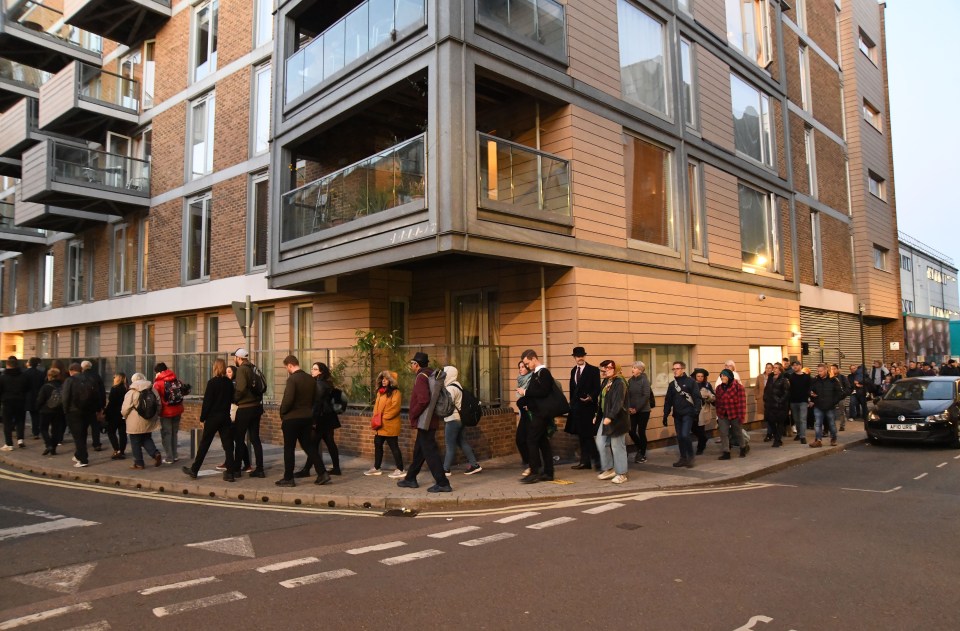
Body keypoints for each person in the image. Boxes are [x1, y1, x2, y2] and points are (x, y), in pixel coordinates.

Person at [397, 352, 452, 492]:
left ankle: (442, 482)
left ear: (416, 364)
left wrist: (413, 414)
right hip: (429, 419)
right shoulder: (430, 374)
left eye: (412, 363)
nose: (411, 366)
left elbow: (423, 400)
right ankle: (410, 478)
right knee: (419, 451)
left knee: (430, 451)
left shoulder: (421, 377)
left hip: (424, 420)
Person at [276, 355, 330, 487]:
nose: (287, 370)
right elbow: (315, 399)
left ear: (289, 365)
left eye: (286, 367)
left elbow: (288, 400)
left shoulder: (292, 379)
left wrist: (282, 413)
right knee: (309, 446)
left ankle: (288, 478)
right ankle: (322, 473)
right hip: (306, 417)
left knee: (289, 448)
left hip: (292, 418)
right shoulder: (310, 379)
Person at [182, 358, 236, 482]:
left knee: (204, 444)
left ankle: (194, 470)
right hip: (225, 417)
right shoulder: (229, 383)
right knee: (228, 446)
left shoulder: (212, 383)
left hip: (213, 418)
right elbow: (232, 399)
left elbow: (207, 402)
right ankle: (230, 473)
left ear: (215, 368)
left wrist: (203, 418)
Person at [515, 349, 557, 484]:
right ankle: (548, 473)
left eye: (527, 363)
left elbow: (543, 392)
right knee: (542, 442)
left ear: (533, 359)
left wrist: (525, 391)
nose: (527, 366)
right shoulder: (537, 373)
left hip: (542, 413)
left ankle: (534, 472)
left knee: (531, 440)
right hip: (539, 412)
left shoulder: (543, 372)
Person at [441, 365, 482, 475]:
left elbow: (446, 405)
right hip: (460, 419)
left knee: (450, 445)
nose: (443, 376)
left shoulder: (450, 388)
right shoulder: (457, 385)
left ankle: (445, 469)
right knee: (462, 442)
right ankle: (474, 465)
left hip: (452, 419)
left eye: (445, 374)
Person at [364, 370, 405, 478]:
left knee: (394, 447)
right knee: (377, 445)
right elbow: (376, 407)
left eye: (386, 379)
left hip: (390, 425)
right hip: (380, 426)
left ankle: (400, 469)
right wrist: (375, 417)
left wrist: (383, 418)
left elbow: (395, 409)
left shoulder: (396, 393)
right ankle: (377, 468)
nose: (383, 380)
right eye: (382, 378)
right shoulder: (380, 392)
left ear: (391, 381)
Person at [595, 360, 630, 484]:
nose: (604, 371)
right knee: (600, 442)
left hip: (618, 419)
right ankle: (609, 469)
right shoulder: (606, 381)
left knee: (617, 446)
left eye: (608, 368)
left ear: (615, 369)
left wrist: (610, 416)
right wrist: (597, 415)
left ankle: (622, 473)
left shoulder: (620, 382)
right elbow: (602, 401)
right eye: (604, 368)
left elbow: (618, 402)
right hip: (606, 417)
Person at [567, 347, 601, 471]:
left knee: (588, 435)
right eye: (577, 356)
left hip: (588, 408)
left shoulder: (593, 370)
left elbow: (597, 388)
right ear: (574, 357)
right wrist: (571, 405)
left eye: (582, 355)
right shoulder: (573, 371)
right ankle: (585, 462)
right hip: (576, 409)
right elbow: (572, 389)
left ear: (584, 356)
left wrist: (590, 397)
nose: (580, 358)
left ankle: (598, 461)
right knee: (581, 435)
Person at [662, 360, 701, 468]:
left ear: (683, 369)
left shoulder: (690, 382)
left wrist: (696, 412)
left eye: (677, 368)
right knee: (680, 437)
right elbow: (668, 400)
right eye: (673, 369)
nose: (675, 371)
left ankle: (690, 457)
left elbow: (697, 397)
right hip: (677, 414)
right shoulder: (672, 384)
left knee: (685, 434)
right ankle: (683, 458)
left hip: (688, 413)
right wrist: (665, 415)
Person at [233, 349, 265, 478]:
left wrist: (234, 399)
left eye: (234, 357)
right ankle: (260, 469)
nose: (234, 359)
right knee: (255, 439)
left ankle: (236, 470)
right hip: (256, 407)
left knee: (239, 439)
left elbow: (240, 389)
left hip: (245, 408)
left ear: (239, 358)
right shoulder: (253, 367)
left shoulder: (241, 369)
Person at [122, 372, 163, 470]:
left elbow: (125, 408)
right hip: (149, 419)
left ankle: (139, 463)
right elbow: (159, 404)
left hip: (135, 422)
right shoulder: (152, 389)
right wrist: (155, 414)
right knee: (146, 438)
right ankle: (155, 453)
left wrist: (124, 416)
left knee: (135, 442)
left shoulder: (131, 391)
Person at [62, 363, 97, 467]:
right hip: (88, 411)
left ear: (71, 370)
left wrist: (65, 410)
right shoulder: (90, 379)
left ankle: (83, 459)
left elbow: (65, 397)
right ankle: (78, 455)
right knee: (83, 433)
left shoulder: (70, 380)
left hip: (74, 411)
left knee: (78, 436)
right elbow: (96, 395)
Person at [153, 362, 183, 464]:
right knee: (174, 433)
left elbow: (156, 399)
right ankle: (175, 455)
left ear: (158, 372)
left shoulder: (158, 383)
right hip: (178, 409)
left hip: (166, 412)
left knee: (166, 434)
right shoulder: (175, 379)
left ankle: (169, 457)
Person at [716, 368, 748, 459]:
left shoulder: (738, 387)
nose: (722, 377)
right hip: (723, 414)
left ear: (729, 377)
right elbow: (717, 402)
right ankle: (726, 452)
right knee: (723, 433)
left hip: (735, 413)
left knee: (737, 432)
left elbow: (742, 402)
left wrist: (741, 416)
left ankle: (743, 447)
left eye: (724, 376)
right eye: (721, 376)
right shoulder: (719, 388)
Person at [810, 363, 843, 447]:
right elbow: (810, 390)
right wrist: (811, 394)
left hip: (830, 406)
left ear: (826, 370)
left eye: (821, 371)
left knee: (831, 423)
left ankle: (833, 439)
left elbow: (839, 393)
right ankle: (818, 440)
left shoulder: (833, 380)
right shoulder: (815, 380)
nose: (819, 373)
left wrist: (833, 402)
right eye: (818, 371)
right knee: (818, 424)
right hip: (818, 405)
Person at [35, 367, 64, 456]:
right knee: (55, 430)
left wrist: (37, 408)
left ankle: (48, 444)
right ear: (58, 376)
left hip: (46, 411)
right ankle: (53, 448)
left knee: (43, 428)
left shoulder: (46, 386)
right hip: (59, 411)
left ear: (49, 376)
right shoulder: (62, 386)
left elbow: (40, 400)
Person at [0, 356, 27, 451]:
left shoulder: (3, 377)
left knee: (7, 423)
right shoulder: (23, 376)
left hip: (7, 402)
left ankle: (9, 443)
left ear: (7, 365)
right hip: (20, 401)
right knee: (20, 421)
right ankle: (20, 439)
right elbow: (27, 388)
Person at [627, 361, 651, 463]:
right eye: (632, 367)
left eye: (635, 368)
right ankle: (640, 447)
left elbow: (646, 396)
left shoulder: (644, 381)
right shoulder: (630, 381)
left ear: (640, 370)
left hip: (643, 410)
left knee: (641, 431)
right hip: (632, 411)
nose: (632, 369)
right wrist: (629, 408)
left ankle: (642, 454)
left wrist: (636, 409)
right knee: (631, 431)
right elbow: (627, 395)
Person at [81, 360, 106, 452]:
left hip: (84, 405)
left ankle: (82, 443)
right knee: (95, 425)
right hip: (95, 405)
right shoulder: (97, 376)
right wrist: (102, 406)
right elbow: (102, 391)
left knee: (83, 426)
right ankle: (96, 443)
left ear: (82, 367)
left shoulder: (80, 376)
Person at [763, 363, 789, 448]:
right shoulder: (770, 378)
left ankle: (777, 440)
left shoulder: (784, 379)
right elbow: (766, 389)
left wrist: (780, 401)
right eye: (774, 368)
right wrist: (765, 398)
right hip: (770, 404)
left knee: (780, 423)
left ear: (780, 370)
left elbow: (786, 393)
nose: (775, 369)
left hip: (780, 406)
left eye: (777, 368)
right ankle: (777, 439)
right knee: (771, 421)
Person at [104, 373, 128, 460]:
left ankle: (116, 449)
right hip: (124, 414)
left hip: (114, 414)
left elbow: (111, 403)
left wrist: (105, 412)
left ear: (118, 378)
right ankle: (122, 451)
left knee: (111, 432)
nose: (113, 378)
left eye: (114, 377)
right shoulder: (126, 388)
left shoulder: (115, 389)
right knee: (122, 433)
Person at [787, 361, 810, 445]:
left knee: (802, 419)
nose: (795, 367)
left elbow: (809, 388)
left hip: (803, 400)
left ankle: (803, 436)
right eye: (793, 366)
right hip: (793, 401)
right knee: (796, 419)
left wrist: (809, 398)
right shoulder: (791, 376)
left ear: (800, 366)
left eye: (796, 365)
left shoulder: (806, 377)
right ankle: (799, 433)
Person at [515, 360, 533, 475]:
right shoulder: (520, 380)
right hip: (523, 414)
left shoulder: (531, 379)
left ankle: (532, 465)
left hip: (531, 414)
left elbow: (534, 394)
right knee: (520, 439)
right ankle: (530, 463)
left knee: (529, 440)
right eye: (519, 367)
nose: (521, 369)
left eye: (523, 367)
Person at [692, 369, 713, 455]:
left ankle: (700, 448)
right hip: (692, 410)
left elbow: (713, 397)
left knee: (700, 429)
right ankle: (704, 439)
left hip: (703, 410)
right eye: (698, 376)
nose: (700, 378)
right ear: (695, 376)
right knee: (692, 427)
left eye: (702, 376)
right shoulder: (692, 384)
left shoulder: (707, 385)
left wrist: (708, 396)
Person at [24, 357, 44, 441]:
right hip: (38, 396)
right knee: (36, 415)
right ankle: (36, 432)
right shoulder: (41, 373)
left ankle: (31, 432)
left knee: (29, 415)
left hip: (28, 396)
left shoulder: (25, 373)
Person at [830, 364, 850, 431]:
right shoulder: (829, 378)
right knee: (831, 412)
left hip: (841, 397)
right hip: (832, 397)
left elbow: (848, 387)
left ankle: (842, 426)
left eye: (834, 369)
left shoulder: (842, 377)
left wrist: (844, 394)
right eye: (831, 369)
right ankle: (832, 425)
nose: (833, 370)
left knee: (842, 412)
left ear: (838, 369)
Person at [755, 363, 772, 428]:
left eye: (770, 368)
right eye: (767, 368)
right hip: (761, 398)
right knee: (762, 414)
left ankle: (770, 429)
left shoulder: (773, 377)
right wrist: (757, 396)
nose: (768, 369)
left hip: (770, 399)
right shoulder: (760, 377)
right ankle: (766, 428)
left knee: (770, 414)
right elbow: (756, 387)